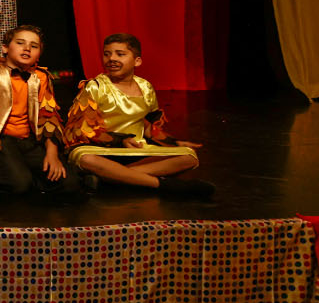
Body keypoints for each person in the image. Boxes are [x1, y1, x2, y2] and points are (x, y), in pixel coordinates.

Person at [64, 34, 213, 198]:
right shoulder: (95, 87)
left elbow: (146, 125)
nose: (112, 59)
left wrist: (173, 142)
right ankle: (163, 185)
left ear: (137, 61)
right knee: (86, 159)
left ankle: (110, 179)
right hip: (102, 150)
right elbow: (81, 130)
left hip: (135, 151)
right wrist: (120, 141)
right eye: (107, 54)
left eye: (120, 54)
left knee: (188, 157)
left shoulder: (145, 87)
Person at [0, 25, 83, 197]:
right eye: (20, 43)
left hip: (31, 141)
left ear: (39, 54)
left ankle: (32, 181)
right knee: (19, 183)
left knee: (69, 182)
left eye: (34, 46)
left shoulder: (40, 77)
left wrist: (52, 154)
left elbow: (49, 118)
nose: (27, 48)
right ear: (5, 48)